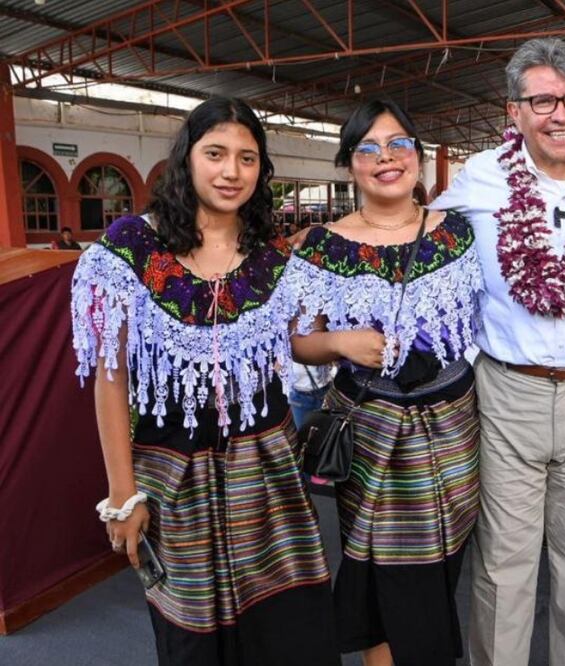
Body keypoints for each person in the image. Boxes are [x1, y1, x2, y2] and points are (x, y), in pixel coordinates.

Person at [70, 97, 337, 665]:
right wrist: (123, 496)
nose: (230, 171)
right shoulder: (130, 249)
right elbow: (110, 379)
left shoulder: (272, 256)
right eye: (215, 153)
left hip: (268, 472)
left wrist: (345, 340)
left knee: (288, 631)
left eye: (246, 158)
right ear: (187, 158)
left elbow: (297, 341)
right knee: (194, 641)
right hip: (174, 475)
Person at [429, 38, 565, 666]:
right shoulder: (481, 178)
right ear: (514, 111)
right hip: (509, 391)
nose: (561, 113)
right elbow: (412, 233)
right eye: (543, 99)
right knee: (504, 561)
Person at [286, 98, 482, 666]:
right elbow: (301, 340)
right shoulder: (323, 246)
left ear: (418, 157)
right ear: (350, 165)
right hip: (368, 425)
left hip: (449, 424)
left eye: (399, 144)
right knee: (374, 567)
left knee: (441, 562)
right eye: (367, 149)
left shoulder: (459, 236)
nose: (386, 158)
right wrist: (342, 343)